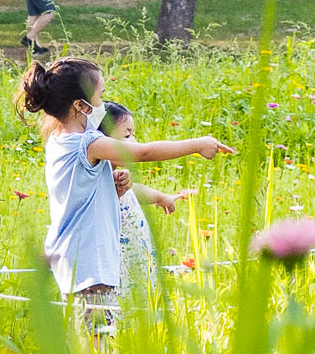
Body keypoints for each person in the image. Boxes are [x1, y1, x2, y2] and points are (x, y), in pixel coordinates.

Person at [21, 58, 230, 332]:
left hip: (76, 259)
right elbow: (142, 152)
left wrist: (114, 188)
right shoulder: (87, 143)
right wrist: (198, 144)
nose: (103, 105)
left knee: (87, 337)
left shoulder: (59, 142)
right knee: (98, 342)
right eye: (100, 96)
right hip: (89, 262)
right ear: (80, 106)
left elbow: (85, 194)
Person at [100, 98, 196, 288]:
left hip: (134, 264)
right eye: (127, 136)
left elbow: (132, 192)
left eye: (133, 134)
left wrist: (160, 197)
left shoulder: (116, 175)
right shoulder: (100, 177)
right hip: (116, 269)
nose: (134, 142)